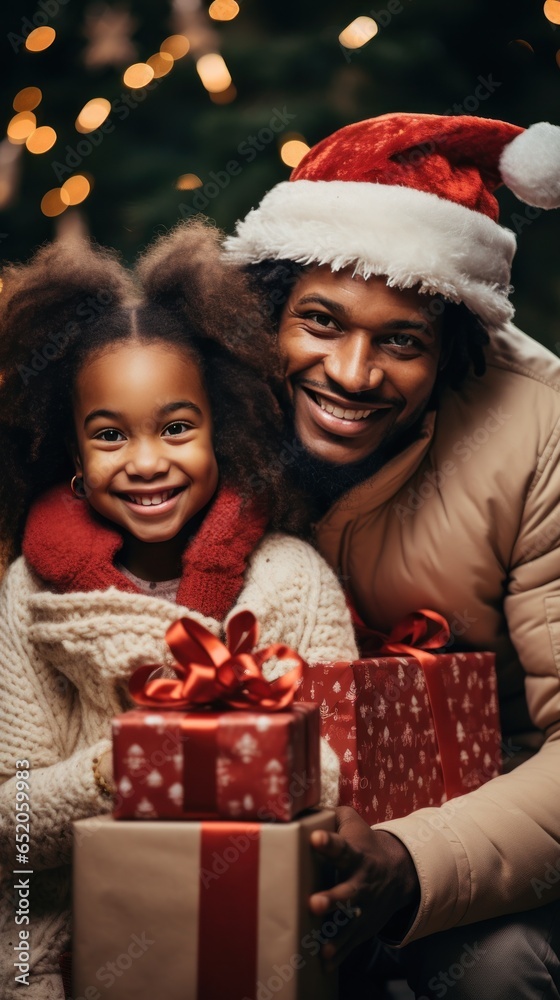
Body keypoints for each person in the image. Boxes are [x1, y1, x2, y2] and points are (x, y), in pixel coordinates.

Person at [224, 112, 560, 997]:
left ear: (453, 348)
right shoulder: (192, 411)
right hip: (240, 836)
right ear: (266, 314)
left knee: (498, 971)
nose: (354, 374)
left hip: (479, 836)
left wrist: (411, 864)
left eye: (401, 340)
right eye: (322, 323)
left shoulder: (539, 433)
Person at [0, 220, 359, 1000]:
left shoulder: (291, 579)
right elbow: (11, 824)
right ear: (72, 453)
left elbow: (346, 782)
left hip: (256, 937)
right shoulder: (30, 592)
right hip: (67, 944)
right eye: (109, 435)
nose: (147, 462)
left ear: (219, 428)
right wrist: (121, 766)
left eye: (176, 427)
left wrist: (243, 752)